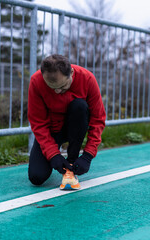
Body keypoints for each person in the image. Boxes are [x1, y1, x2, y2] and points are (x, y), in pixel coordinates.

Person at [27, 54, 106, 190]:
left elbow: (97, 119)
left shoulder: (87, 78)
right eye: (52, 87)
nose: (57, 91)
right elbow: (38, 123)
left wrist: (87, 155)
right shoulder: (36, 81)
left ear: (71, 73)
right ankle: (58, 160)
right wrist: (53, 155)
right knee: (36, 177)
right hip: (52, 130)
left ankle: (72, 160)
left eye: (63, 86)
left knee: (80, 106)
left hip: (76, 126)